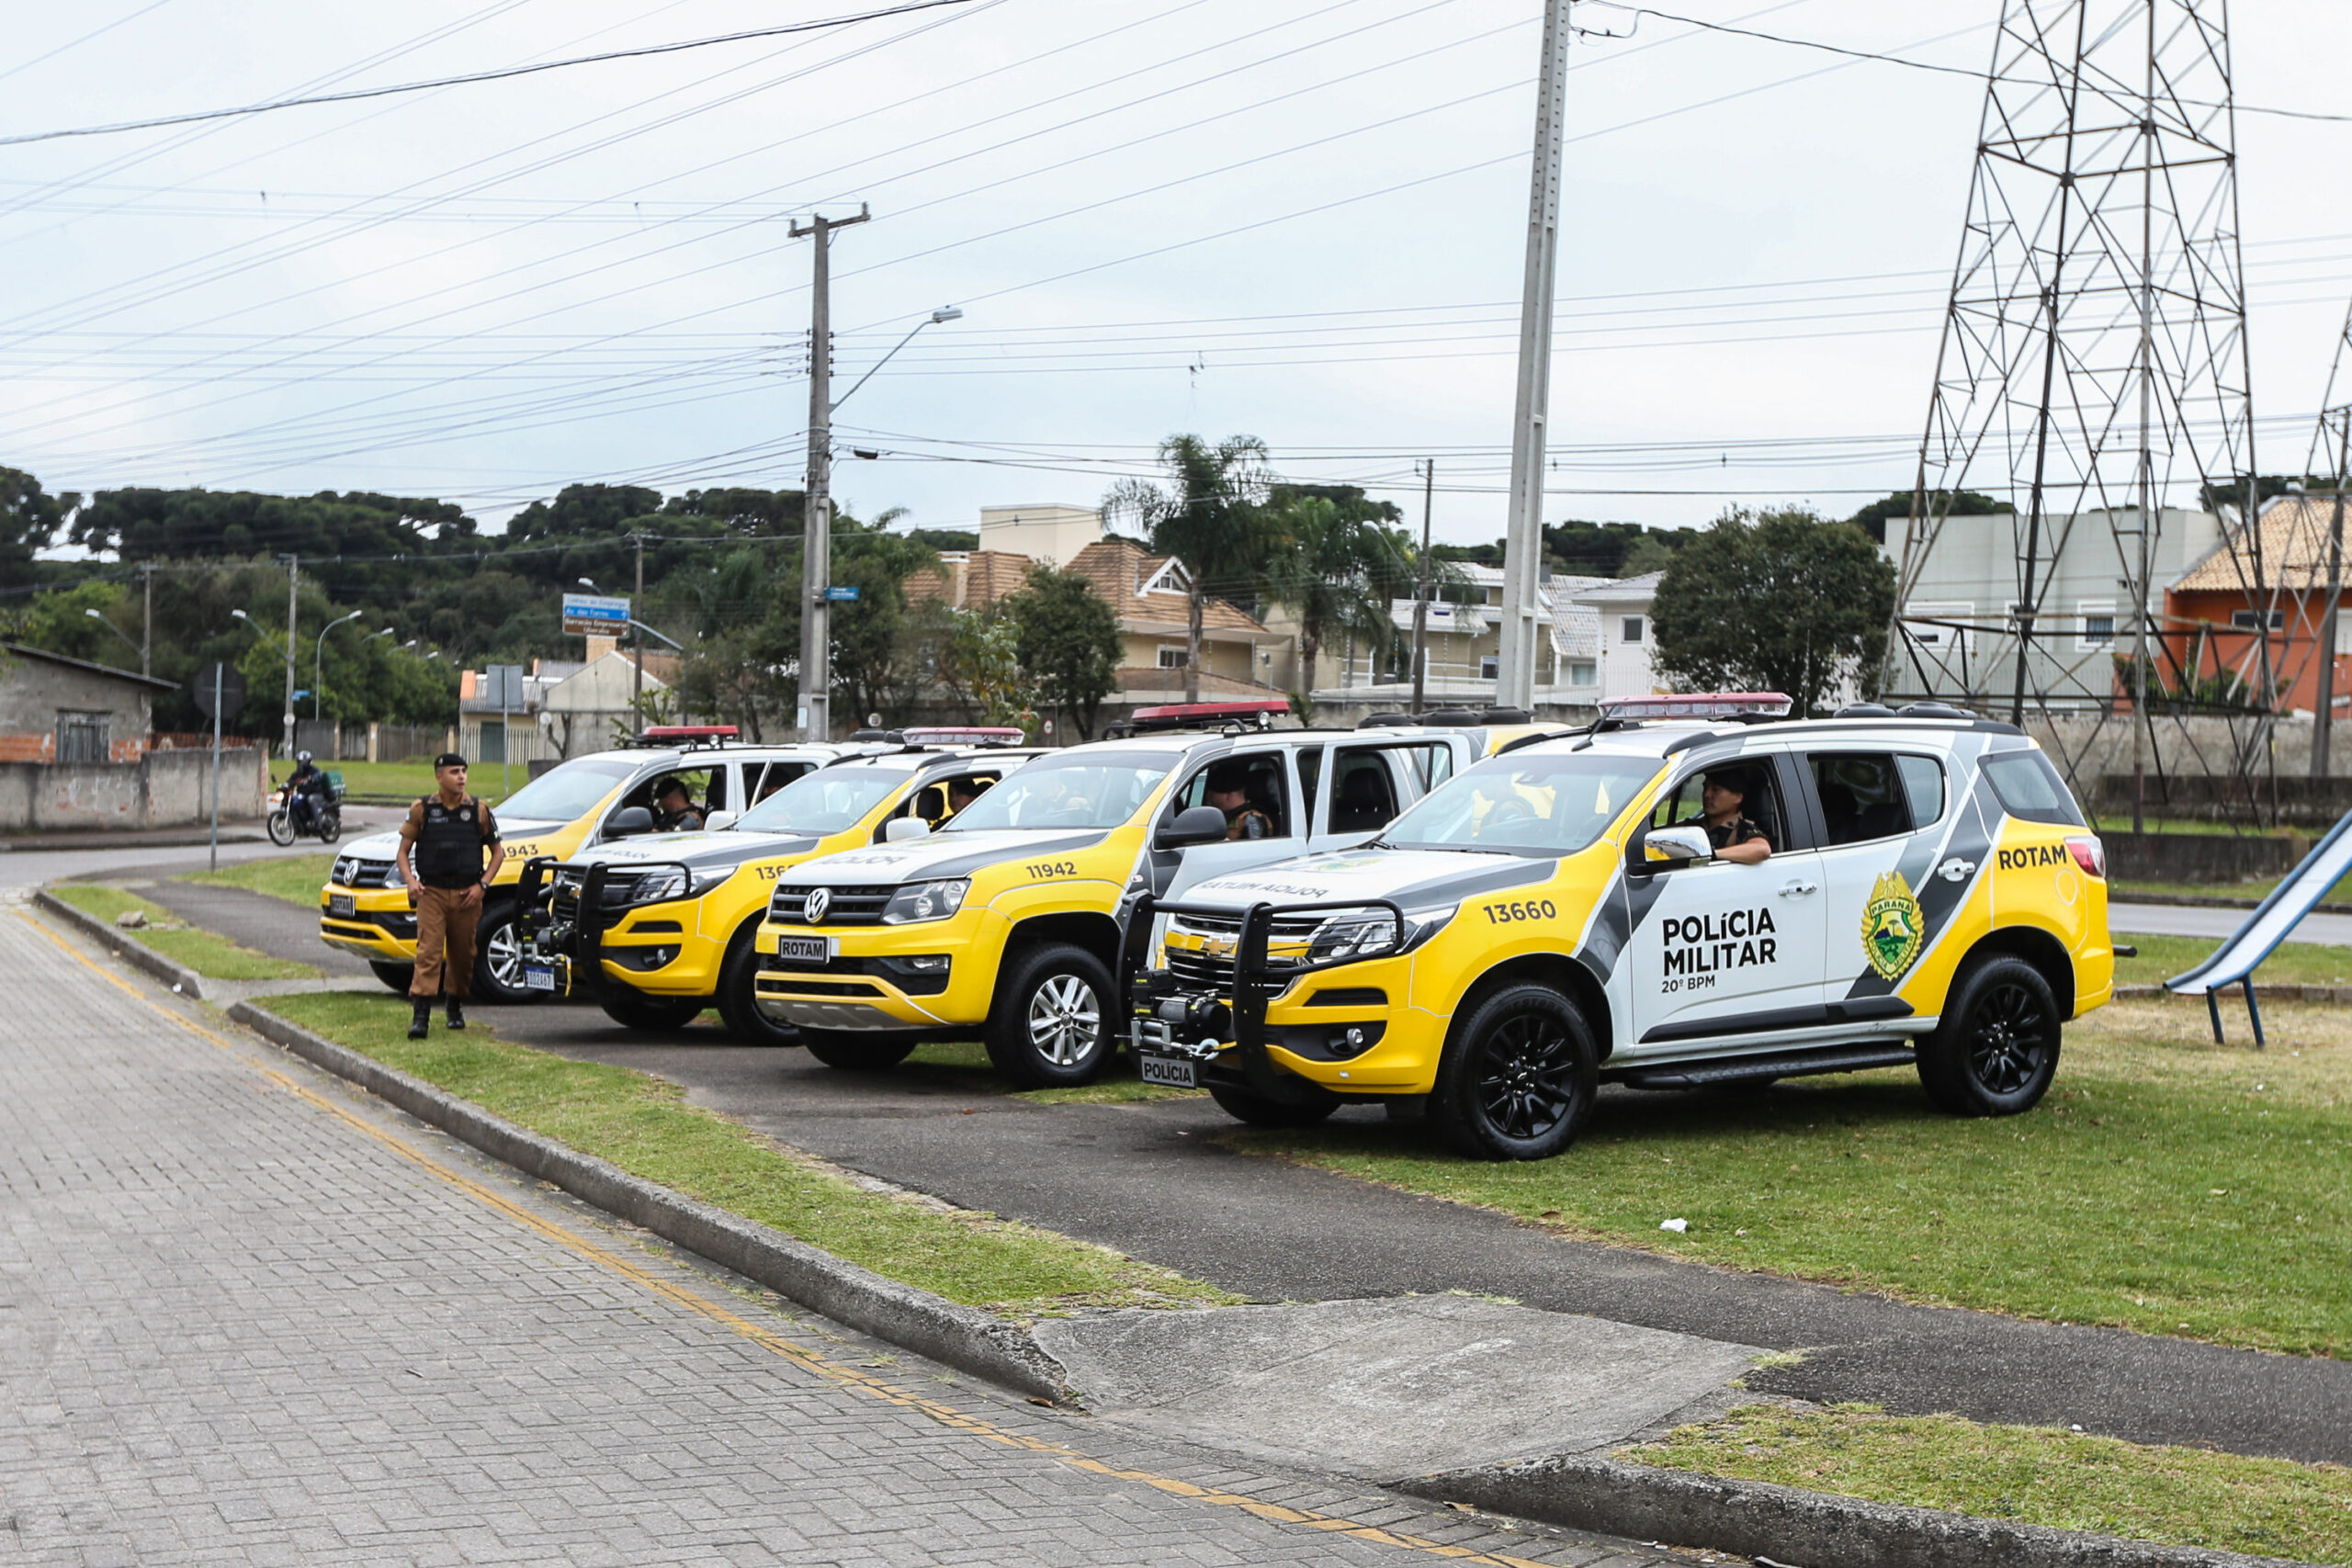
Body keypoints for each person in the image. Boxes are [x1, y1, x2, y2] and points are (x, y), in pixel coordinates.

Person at [396, 753, 505, 1039]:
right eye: (455, 771)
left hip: (466, 894)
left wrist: (482, 885)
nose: (461, 777)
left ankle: (454, 1004)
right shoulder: (422, 808)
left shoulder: (478, 810)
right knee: (429, 952)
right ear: (439, 776)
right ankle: (421, 1016)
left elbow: (498, 853)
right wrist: (410, 882)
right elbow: (403, 852)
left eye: (464, 771)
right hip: (431, 892)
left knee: (463, 954)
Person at [1679, 767, 1773, 864]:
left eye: (1716, 790)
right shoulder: (1692, 826)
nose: (1707, 794)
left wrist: (1712, 854)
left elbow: (1762, 850)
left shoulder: (1742, 829)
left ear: (1737, 797)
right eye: (1705, 787)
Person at [1204, 761, 1274, 841]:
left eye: (1213, 793)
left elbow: (1255, 851)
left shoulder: (1252, 819)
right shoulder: (1226, 817)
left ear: (1228, 795)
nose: (1208, 797)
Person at [286, 750, 326, 833]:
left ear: (307, 762)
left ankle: (318, 824)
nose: (300, 764)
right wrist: (285, 785)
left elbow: (318, 776)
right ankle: (297, 825)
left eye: (302, 762)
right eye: (299, 762)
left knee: (311, 799)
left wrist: (312, 779)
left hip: (316, 794)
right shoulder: (297, 773)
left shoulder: (314, 770)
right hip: (303, 795)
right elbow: (290, 781)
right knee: (293, 801)